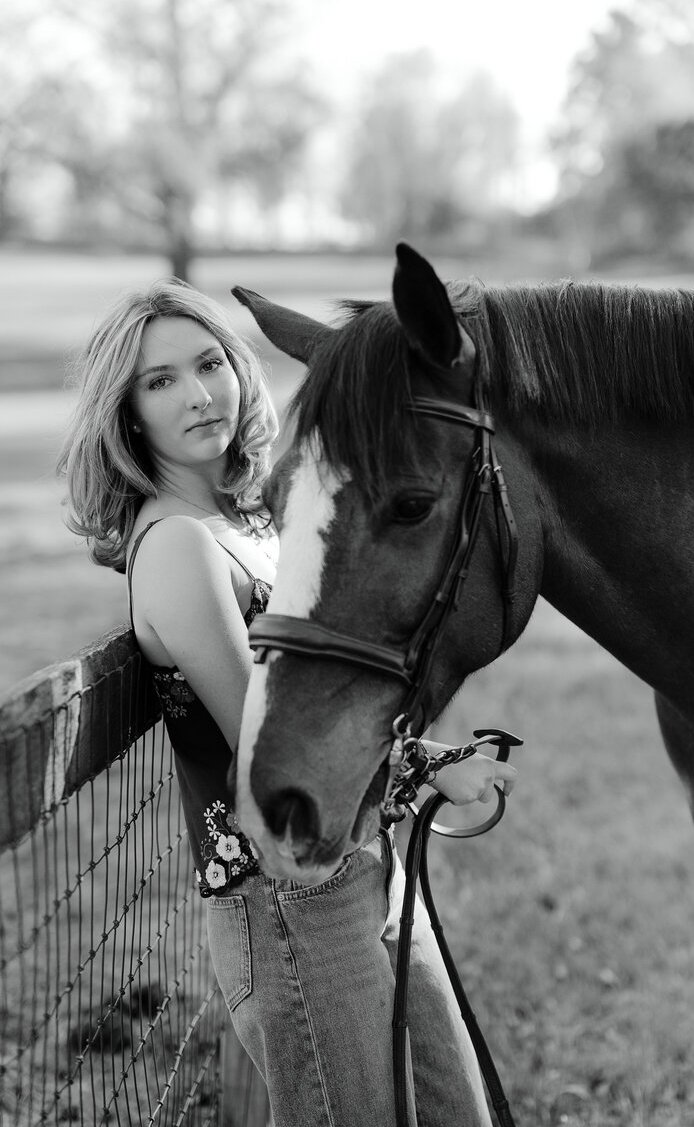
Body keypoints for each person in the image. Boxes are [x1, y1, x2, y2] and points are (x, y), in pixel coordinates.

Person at [59, 277, 516, 1127]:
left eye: (210, 364)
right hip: (289, 906)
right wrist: (431, 770)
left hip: (360, 864)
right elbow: (268, 747)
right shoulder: (178, 549)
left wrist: (427, 765)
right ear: (126, 414)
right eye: (160, 382)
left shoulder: (254, 524)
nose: (199, 396)